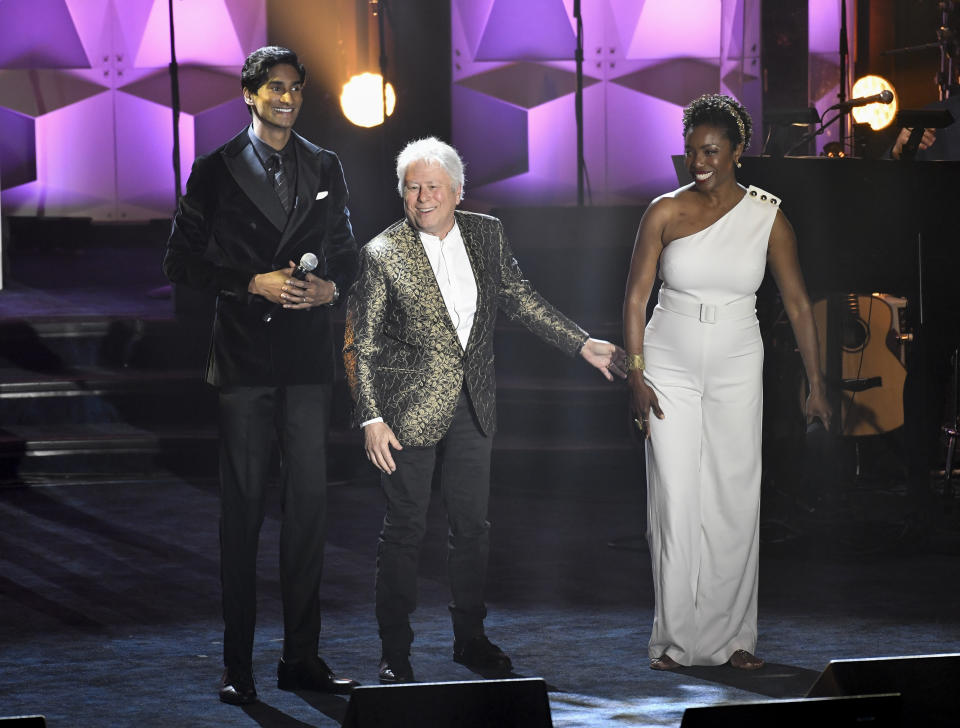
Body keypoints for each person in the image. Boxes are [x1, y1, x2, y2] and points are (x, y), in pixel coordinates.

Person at [343, 137, 624, 684]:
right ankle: (394, 652)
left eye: (433, 187)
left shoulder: (487, 234)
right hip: (406, 414)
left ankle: (470, 639)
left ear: (458, 191)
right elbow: (362, 343)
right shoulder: (381, 253)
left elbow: (520, 297)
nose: (422, 198)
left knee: (471, 528)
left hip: (475, 403)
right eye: (412, 187)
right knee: (404, 530)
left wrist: (580, 342)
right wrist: (370, 415)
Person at [163, 46, 359, 705]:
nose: (286, 98)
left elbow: (349, 256)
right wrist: (251, 280)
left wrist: (331, 289)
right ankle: (237, 665)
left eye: (295, 89)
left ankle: (301, 659)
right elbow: (180, 261)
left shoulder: (325, 164)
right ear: (249, 94)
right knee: (242, 514)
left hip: (307, 362)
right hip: (244, 361)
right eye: (273, 88)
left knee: (309, 511)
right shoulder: (216, 171)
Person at [622, 94, 832, 671]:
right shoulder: (663, 211)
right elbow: (636, 297)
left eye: (711, 151)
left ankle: (734, 640)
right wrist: (635, 375)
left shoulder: (768, 217)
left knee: (734, 496)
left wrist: (816, 383)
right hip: (668, 358)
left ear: (739, 152)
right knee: (675, 497)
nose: (699, 162)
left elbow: (797, 302)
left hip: (739, 357)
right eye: (692, 151)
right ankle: (673, 641)